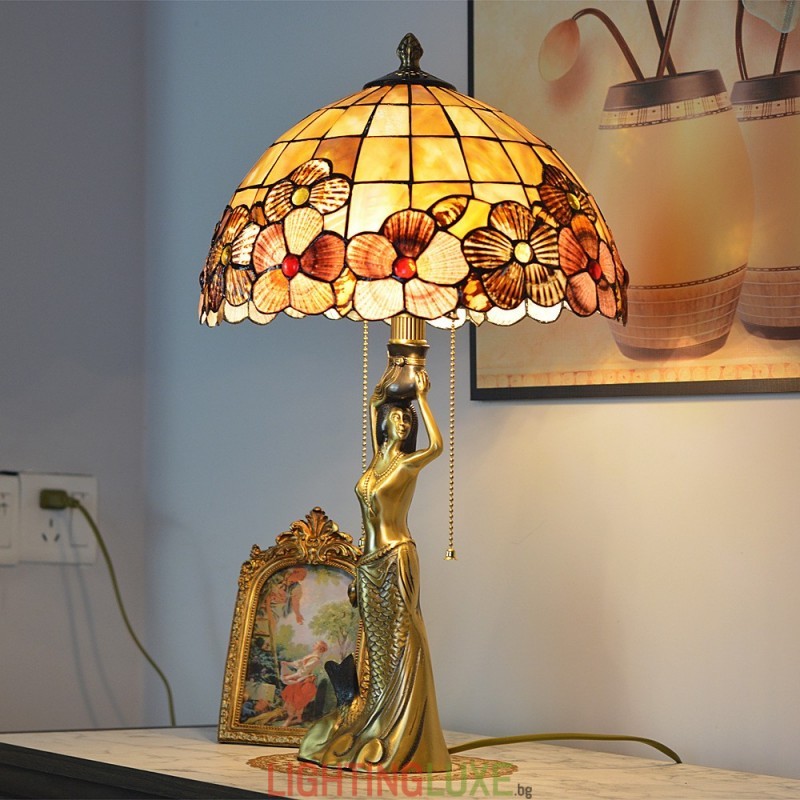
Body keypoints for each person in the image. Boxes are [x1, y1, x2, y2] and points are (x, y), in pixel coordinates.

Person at [298, 369, 451, 773]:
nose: (402, 422)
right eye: (396, 417)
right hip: (368, 563)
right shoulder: (377, 463)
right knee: (376, 648)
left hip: (396, 557)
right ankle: (375, 722)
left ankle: (402, 733)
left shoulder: (408, 463)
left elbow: (437, 446)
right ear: (384, 423)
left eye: (407, 420)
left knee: (400, 645)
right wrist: (384, 389)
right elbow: (374, 404)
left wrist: (422, 398)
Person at [280, 640, 328, 727]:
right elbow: (299, 663)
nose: (314, 644)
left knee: (296, 700)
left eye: (316, 644)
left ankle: (289, 719)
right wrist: (287, 663)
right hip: (301, 680)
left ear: (320, 648)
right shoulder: (311, 656)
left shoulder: (315, 659)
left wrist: (289, 677)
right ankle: (299, 718)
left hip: (306, 682)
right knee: (295, 697)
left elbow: (303, 672)